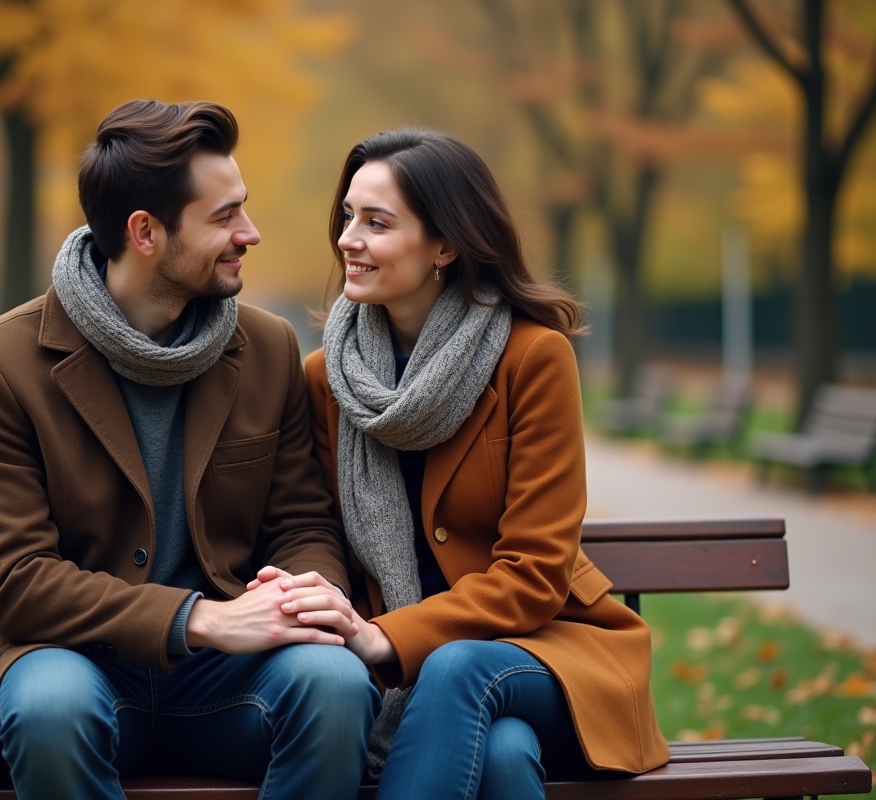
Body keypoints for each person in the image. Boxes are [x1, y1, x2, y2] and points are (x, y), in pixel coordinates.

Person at [0, 99, 377, 800]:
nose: (249, 233)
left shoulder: (267, 348)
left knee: (335, 682)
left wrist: (302, 595)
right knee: (51, 705)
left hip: (228, 680)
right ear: (145, 232)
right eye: (224, 216)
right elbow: (14, 578)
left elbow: (302, 522)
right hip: (71, 660)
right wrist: (198, 619)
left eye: (246, 208)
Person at [256, 129, 670, 800]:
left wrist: (385, 638)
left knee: (456, 669)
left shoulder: (533, 359)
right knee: (503, 757)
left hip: (545, 647)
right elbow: (318, 535)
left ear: (445, 245)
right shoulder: (324, 379)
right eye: (348, 216)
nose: (347, 238)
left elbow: (536, 575)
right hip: (407, 670)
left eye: (376, 222)